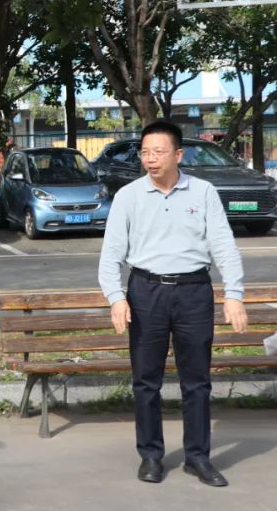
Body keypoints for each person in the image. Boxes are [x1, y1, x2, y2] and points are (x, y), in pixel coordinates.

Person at [97, 120, 248, 487]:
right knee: (145, 380)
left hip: (194, 291)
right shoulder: (129, 196)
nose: (150, 159)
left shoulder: (204, 192)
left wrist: (234, 293)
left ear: (178, 154)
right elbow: (111, 254)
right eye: (145, 152)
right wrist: (116, 297)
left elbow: (223, 245)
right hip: (145, 291)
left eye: (159, 152)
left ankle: (198, 457)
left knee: (197, 381)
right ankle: (150, 456)